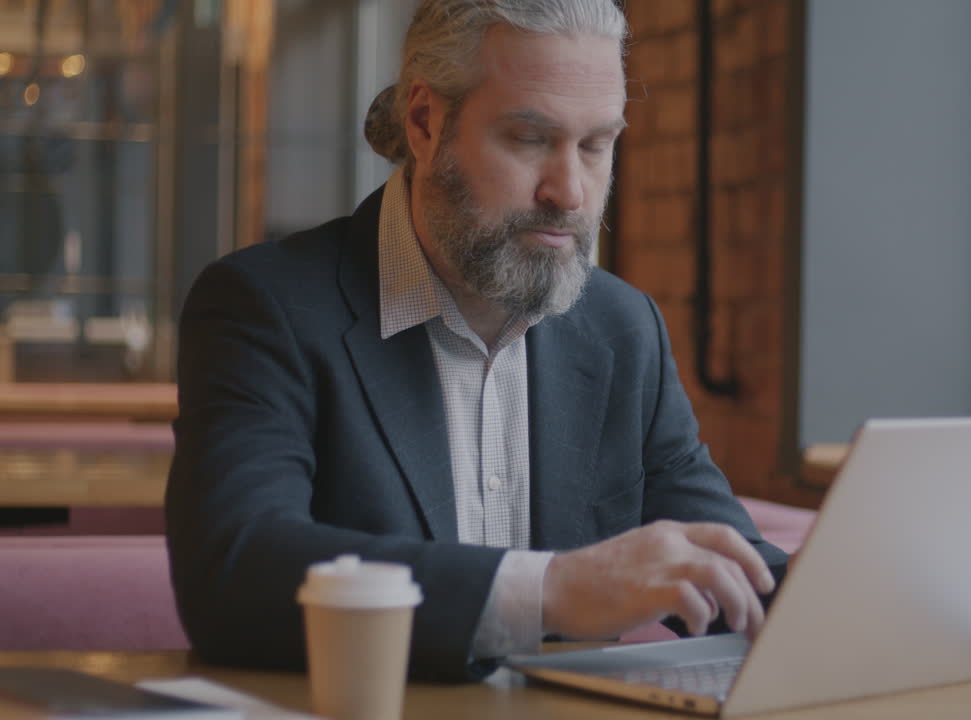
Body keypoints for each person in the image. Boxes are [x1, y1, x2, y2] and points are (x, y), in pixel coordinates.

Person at [166, 0, 787, 682]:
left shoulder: (623, 329)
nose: (571, 192)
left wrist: (895, 606)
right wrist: (555, 590)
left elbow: (729, 570)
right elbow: (234, 571)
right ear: (427, 123)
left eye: (596, 145)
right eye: (529, 139)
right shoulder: (267, 307)